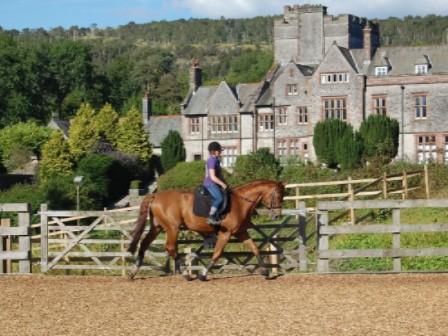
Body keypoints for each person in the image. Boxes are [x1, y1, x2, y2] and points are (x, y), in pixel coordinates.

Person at [203, 141, 228, 225]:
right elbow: (213, 177)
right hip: (210, 183)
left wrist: (226, 183)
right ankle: (210, 217)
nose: (220, 152)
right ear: (213, 151)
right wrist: (222, 184)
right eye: (219, 150)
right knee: (219, 198)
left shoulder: (216, 160)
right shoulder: (211, 160)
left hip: (214, 182)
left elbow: (220, 175)